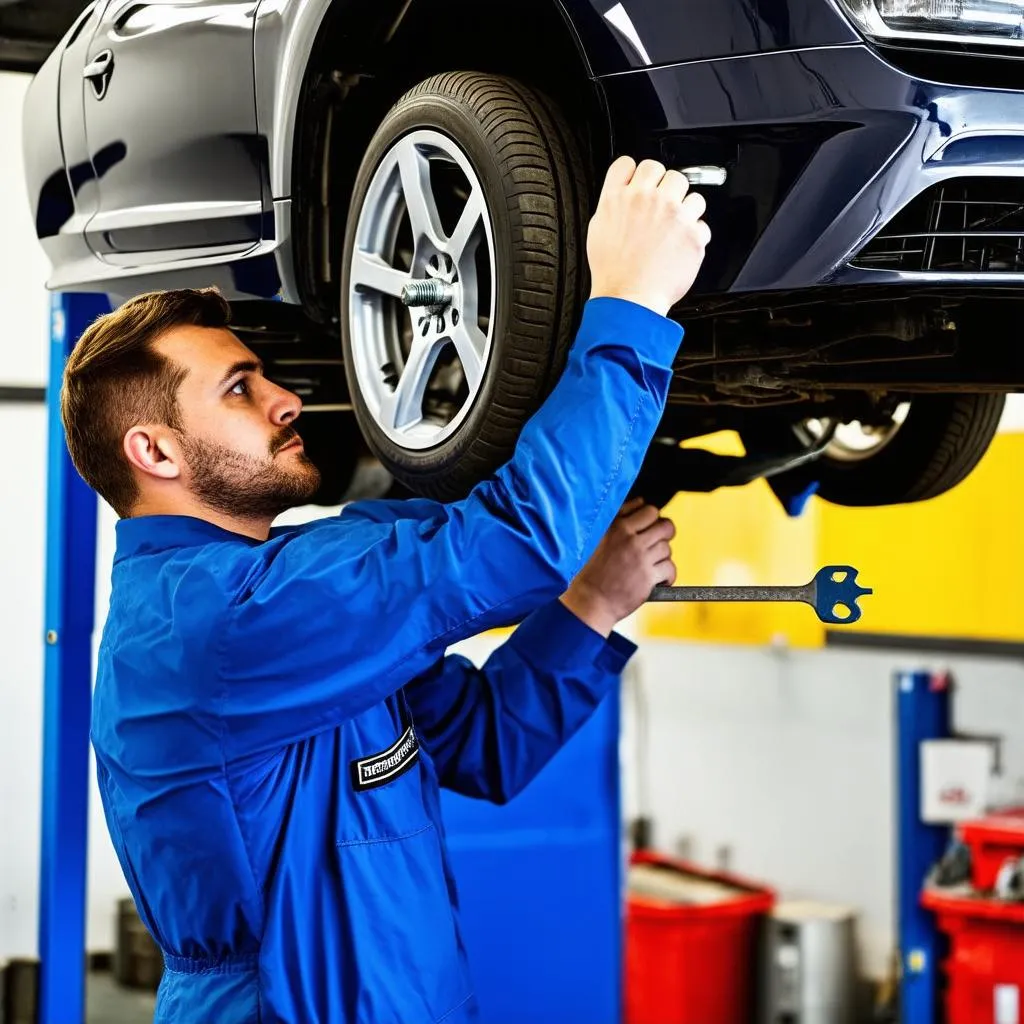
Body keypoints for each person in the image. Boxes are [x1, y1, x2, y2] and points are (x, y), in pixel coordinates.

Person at [61, 155, 710, 1023]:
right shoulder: (218, 625)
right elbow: (512, 546)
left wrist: (587, 609)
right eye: (240, 389)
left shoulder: (285, 605)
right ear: (157, 453)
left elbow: (481, 747)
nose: (288, 399)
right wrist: (630, 304)